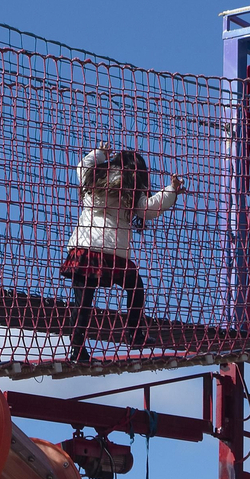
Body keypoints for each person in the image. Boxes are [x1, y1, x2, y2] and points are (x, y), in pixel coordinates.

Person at [60, 143, 185, 364]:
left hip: (84, 249)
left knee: (82, 303)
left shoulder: (94, 179)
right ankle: (134, 334)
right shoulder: (130, 188)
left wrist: (99, 154)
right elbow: (149, 209)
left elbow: (82, 167)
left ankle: (77, 350)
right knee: (135, 287)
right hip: (113, 253)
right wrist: (171, 190)